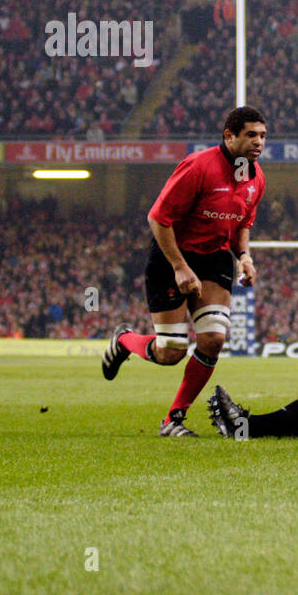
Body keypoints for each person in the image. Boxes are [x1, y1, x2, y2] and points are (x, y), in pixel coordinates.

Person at [101, 107, 268, 437]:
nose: (258, 142)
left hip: (216, 258)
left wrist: (245, 256)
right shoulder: (198, 166)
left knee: (214, 339)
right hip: (172, 256)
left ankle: (173, 420)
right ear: (229, 136)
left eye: (262, 136)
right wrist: (180, 268)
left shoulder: (257, 178)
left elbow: (242, 224)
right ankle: (123, 341)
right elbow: (158, 218)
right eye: (251, 135)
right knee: (171, 352)